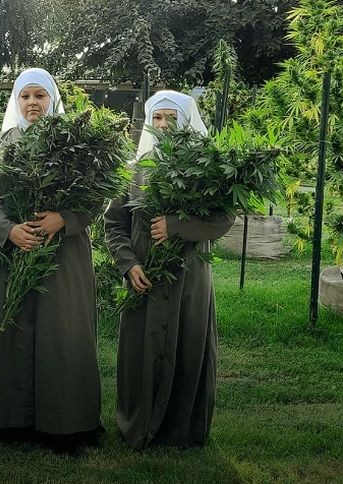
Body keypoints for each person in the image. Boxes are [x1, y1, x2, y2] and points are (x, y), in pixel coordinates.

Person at [0, 68, 103, 454]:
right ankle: (7, 420)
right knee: (6, 328)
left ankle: (65, 424)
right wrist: (8, 229)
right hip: (10, 252)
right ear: (16, 101)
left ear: (53, 100)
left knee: (61, 334)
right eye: (26, 96)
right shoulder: (0, 144)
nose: (33, 104)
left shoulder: (76, 145)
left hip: (62, 254)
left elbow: (98, 193)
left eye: (40, 96)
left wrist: (63, 219)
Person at [104, 90, 234, 449]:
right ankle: (138, 421)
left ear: (186, 122)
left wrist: (177, 225)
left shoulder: (205, 167)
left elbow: (223, 217)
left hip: (187, 278)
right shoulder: (135, 169)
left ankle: (181, 427)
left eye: (171, 118)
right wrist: (128, 264)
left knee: (186, 341)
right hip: (143, 277)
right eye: (156, 119)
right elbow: (113, 223)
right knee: (141, 351)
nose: (162, 126)